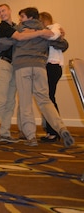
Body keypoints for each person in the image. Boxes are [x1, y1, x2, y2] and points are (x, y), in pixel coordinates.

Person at [0, 7, 74, 147]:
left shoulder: (20, 30)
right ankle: (61, 128)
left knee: (26, 102)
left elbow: (0, 46)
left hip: (23, 67)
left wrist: (11, 39)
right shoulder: (45, 31)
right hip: (40, 67)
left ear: (30, 18)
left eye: (22, 16)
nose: (20, 19)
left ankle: (31, 136)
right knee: (45, 100)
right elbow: (63, 45)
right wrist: (55, 35)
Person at [0, 4, 55, 143]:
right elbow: (20, 38)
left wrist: (54, 31)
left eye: (3, 10)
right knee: (1, 99)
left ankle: (4, 132)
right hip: (3, 64)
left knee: (10, 101)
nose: (2, 13)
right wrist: (40, 32)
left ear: (10, 11)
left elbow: (26, 36)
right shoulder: (3, 26)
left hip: (15, 67)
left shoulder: (17, 25)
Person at [38, 12, 69, 142]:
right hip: (49, 67)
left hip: (52, 67)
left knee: (49, 99)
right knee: (48, 98)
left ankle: (54, 131)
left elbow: (61, 43)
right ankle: (51, 129)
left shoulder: (54, 29)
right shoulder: (48, 32)